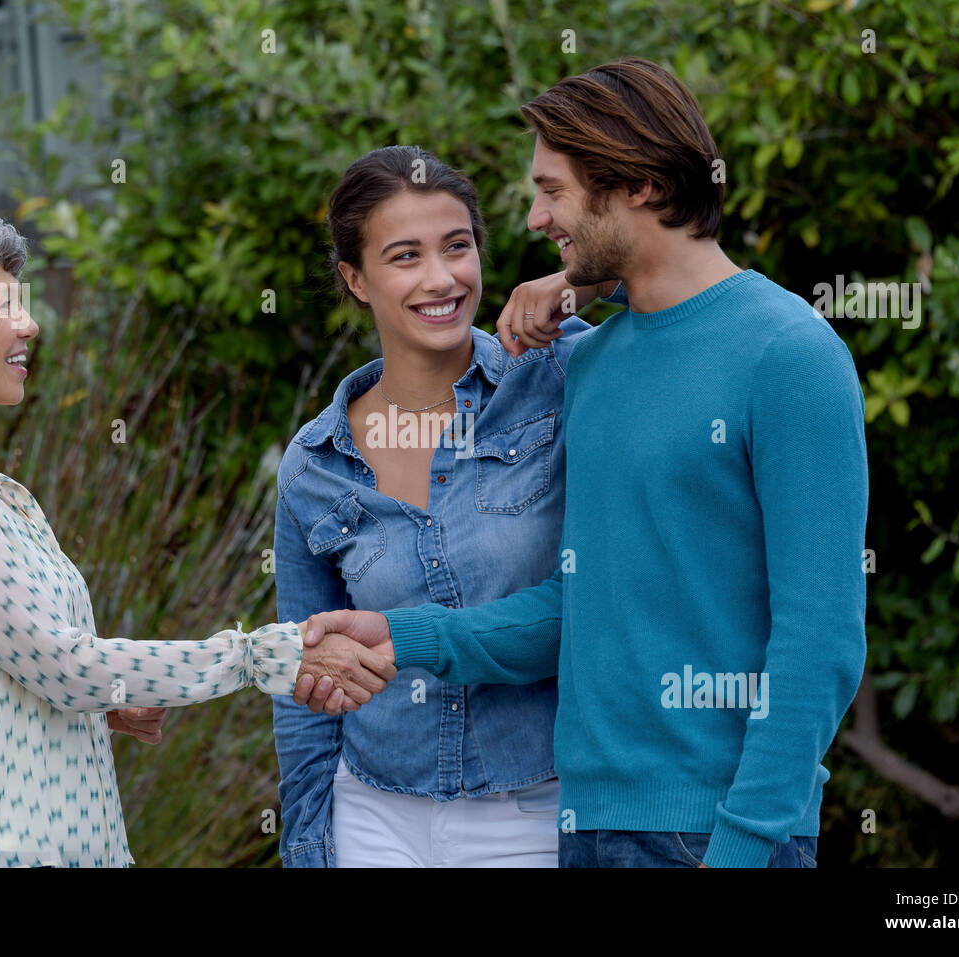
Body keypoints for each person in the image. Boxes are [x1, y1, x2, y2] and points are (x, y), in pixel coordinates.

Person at [300, 58, 869, 869]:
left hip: (717, 834)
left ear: (637, 183)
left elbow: (821, 641)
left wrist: (745, 845)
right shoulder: (595, 364)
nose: (536, 218)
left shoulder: (790, 353)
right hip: (587, 827)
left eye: (553, 190)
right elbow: (581, 605)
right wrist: (403, 634)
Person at [0, 201, 394, 867]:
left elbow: (19, 668)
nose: (30, 324)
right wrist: (262, 655)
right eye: (4, 306)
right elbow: (63, 667)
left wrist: (107, 703)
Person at [271, 146, 597, 867]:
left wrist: (581, 283)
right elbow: (304, 681)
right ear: (355, 279)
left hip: (532, 807)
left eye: (457, 246)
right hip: (372, 815)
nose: (442, 278)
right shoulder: (315, 465)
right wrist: (307, 842)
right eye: (405, 256)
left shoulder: (557, 376)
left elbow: (682, 307)